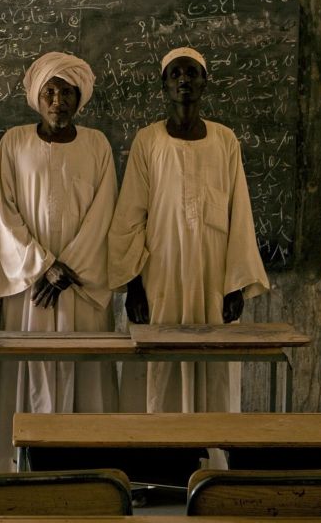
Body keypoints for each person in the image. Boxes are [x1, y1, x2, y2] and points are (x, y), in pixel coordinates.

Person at [108, 46, 271, 413]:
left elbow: (239, 214)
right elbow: (130, 215)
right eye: (176, 74)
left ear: (204, 82)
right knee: (158, 369)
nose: (184, 80)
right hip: (159, 278)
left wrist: (237, 285)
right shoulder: (148, 141)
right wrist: (133, 285)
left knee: (212, 369)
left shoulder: (225, 140)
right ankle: (156, 462)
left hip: (213, 278)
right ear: (164, 84)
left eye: (192, 73)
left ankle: (210, 457)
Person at [0, 52, 119, 470]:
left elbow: (105, 213)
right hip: (31, 287)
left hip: (80, 286)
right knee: (28, 368)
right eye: (50, 90)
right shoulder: (14, 142)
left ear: (79, 98)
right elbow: (3, 211)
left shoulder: (97, 145)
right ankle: (21, 465)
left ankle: (89, 464)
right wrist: (43, 265)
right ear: (36, 96)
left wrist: (69, 269)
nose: (58, 100)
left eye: (67, 91)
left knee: (84, 370)